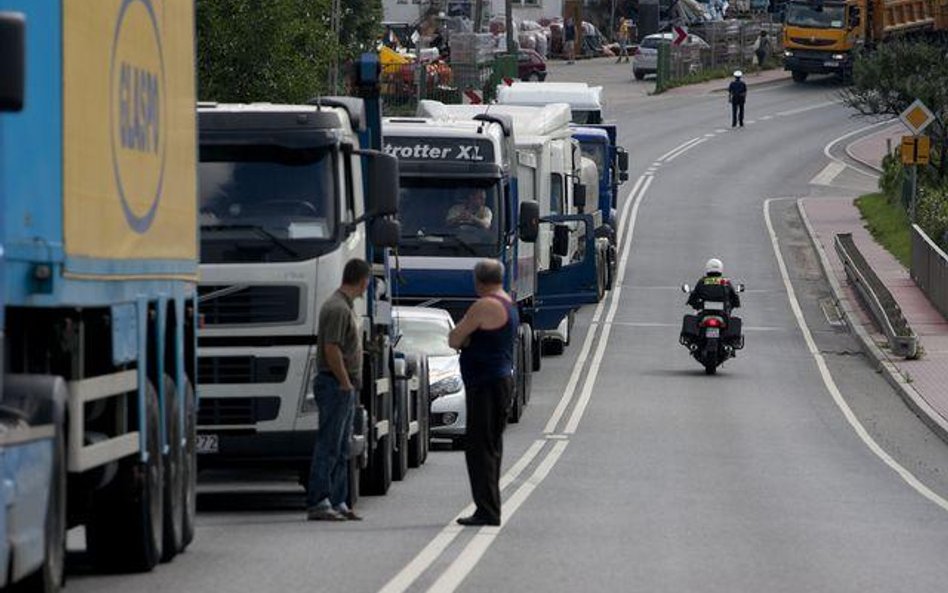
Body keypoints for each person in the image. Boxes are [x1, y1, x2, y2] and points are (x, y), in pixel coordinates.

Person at [449, 260, 517, 527]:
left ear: (478, 281)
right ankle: (489, 506)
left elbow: (454, 338)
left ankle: (487, 509)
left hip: (486, 384)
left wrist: (467, 339)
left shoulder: (484, 305)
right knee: (491, 445)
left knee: (479, 449)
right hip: (499, 380)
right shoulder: (506, 302)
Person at [306, 258, 371, 522]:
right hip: (335, 384)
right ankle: (319, 500)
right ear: (362, 280)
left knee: (342, 446)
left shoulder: (345, 306)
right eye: (367, 282)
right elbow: (331, 349)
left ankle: (338, 500)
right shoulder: (337, 308)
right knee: (329, 444)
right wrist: (344, 381)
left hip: (344, 385)